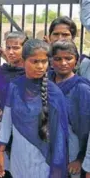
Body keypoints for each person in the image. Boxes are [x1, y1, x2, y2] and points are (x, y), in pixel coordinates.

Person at [0, 39, 68, 178]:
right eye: (35, 61)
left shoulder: (55, 94)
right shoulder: (15, 87)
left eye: (44, 61)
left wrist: (57, 166)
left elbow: (60, 135)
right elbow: (6, 122)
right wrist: (1, 153)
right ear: (23, 61)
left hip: (43, 159)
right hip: (19, 157)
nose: (40, 66)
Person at [0, 31, 27, 178]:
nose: (11, 52)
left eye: (16, 48)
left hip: (21, 135)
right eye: (8, 48)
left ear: (25, 49)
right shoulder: (0, 72)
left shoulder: (30, 74)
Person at [49, 40, 90, 178]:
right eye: (58, 59)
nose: (63, 63)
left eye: (68, 58)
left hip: (73, 151)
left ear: (76, 61)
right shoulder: (45, 84)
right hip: (48, 149)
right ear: (51, 61)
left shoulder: (82, 89)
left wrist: (80, 158)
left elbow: (86, 128)